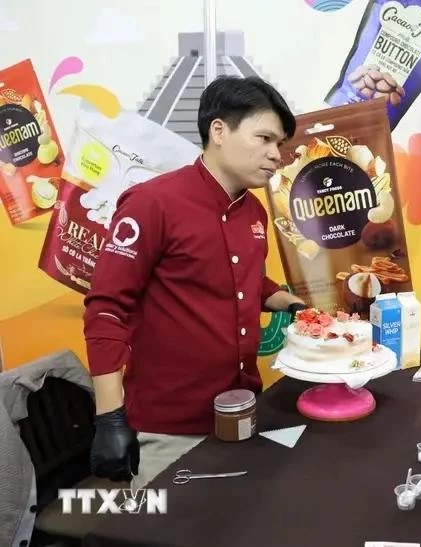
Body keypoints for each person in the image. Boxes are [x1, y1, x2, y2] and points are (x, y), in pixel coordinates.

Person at [83, 76, 306, 488]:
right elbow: (106, 308)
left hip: (243, 416)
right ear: (218, 130)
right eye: (265, 138)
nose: (277, 155)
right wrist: (110, 418)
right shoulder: (152, 203)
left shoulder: (253, 213)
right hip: (169, 431)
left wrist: (289, 304)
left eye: (280, 144)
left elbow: (244, 280)